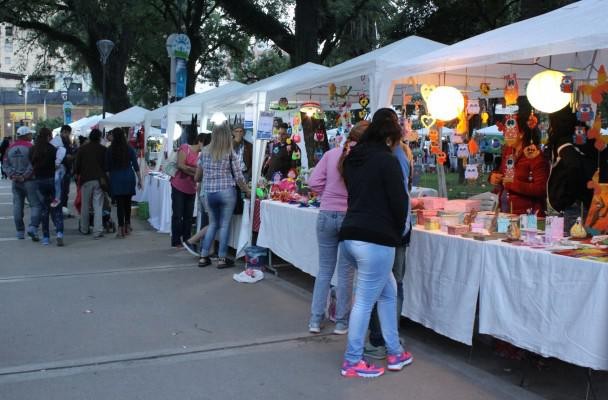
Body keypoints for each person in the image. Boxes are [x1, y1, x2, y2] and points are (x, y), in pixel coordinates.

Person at [338, 108, 412, 378]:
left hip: (351, 234)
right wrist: (395, 232)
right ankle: (352, 359)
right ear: (390, 138)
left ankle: (395, 351)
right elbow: (399, 201)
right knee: (365, 301)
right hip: (375, 239)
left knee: (388, 292)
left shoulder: (353, 158)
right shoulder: (387, 160)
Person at [307, 121, 369, 335]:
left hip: (325, 215)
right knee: (345, 274)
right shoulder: (364, 159)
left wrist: (326, 195)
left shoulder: (331, 154)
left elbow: (313, 182)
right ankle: (342, 322)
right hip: (349, 217)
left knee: (324, 271)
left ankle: (315, 319)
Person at [364, 139, 413, 360]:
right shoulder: (397, 156)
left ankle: (380, 339)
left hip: (387, 232)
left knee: (379, 287)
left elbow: (399, 199)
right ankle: (389, 340)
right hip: (394, 232)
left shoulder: (389, 157)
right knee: (392, 286)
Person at [197, 123, 250, 269]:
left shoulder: (204, 152)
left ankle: (203, 257)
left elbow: (198, 175)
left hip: (210, 192)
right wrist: (247, 190)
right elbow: (238, 176)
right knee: (225, 224)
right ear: (227, 135)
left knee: (213, 224)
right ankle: (222, 259)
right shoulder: (229, 152)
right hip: (227, 191)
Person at [490, 98, 549, 215]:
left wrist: (512, 184)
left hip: (528, 215)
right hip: (506, 210)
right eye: (505, 131)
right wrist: (493, 177)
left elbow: (541, 189)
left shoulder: (535, 155)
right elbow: (501, 173)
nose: (505, 135)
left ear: (521, 134)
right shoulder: (508, 151)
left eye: (509, 131)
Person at [3, 126, 41, 240]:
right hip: (29, 181)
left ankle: (20, 231)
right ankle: (33, 227)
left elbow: (5, 164)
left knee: (17, 205)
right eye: (30, 134)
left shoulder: (10, 148)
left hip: (15, 181)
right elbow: (34, 164)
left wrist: (12, 175)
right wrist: (25, 176)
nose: (31, 136)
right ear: (25, 135)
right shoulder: (31, 147)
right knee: (35, 204)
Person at [30, 128, 64, 246]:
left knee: (44, 209)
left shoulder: (33, 149)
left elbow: (31, 163)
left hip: (39, 182)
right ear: (49, 137)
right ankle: (59, 232)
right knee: (56, 207)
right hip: (52, 181)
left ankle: (46, 237)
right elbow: (57, 163)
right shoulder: (52, 149)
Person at [105, 128, 142, 238]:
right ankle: (128, 225)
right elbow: (135, 165)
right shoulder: (129, 148)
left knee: (120, 204)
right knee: (128, 203)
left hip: (116, 178)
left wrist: (109, 181)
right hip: (128, 177)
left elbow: (107, 169)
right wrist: (140, 179)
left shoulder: (109, 150)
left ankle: (120, 229)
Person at [170, 128, 202, 247]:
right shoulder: (185, 148)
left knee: (188, 216)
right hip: (178, 185)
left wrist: (189, 169)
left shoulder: (201, 155)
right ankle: (176, 241)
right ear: (199, 141)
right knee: (178, 214)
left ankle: (187, 240)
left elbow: (188, 168)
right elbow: (180, 165)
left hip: (191, 188)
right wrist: (195, 172)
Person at [74, 128, 107, 238]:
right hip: (99, 179)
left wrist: (77, 173)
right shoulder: (103, 149)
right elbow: (106, 166)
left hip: (86, 179)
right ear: (99, 138)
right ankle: (98, 230)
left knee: (85, 205)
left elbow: (77, 165)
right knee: (98, 205)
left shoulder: (82, 149)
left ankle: (84, 228)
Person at [50, 133, 67, 208]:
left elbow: (57, 163)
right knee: (57, 184)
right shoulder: (62, 149)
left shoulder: (61, 149)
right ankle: (57, 199)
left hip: (58, 169)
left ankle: (56, 199)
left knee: (57, 183)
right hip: (58, 169)